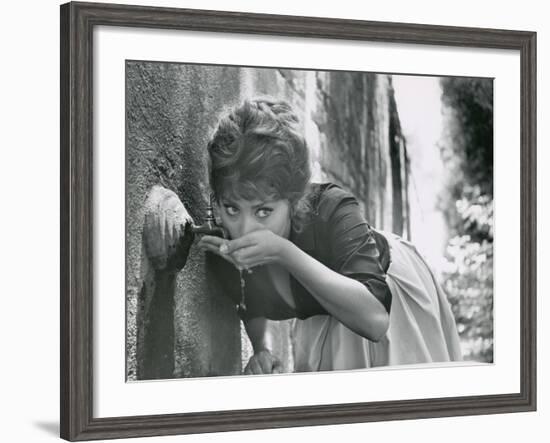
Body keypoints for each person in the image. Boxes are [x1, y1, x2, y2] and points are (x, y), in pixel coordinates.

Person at [197, 96, 462, 375]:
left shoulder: (331, 208)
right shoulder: (222, 244)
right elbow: (249, 301)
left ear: (294, 200)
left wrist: (283, 252)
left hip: (384, 300)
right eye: (231, 208)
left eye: (263, 211)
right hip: (323, 316)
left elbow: (375, 321)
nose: (244, 229)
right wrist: (262, 349)